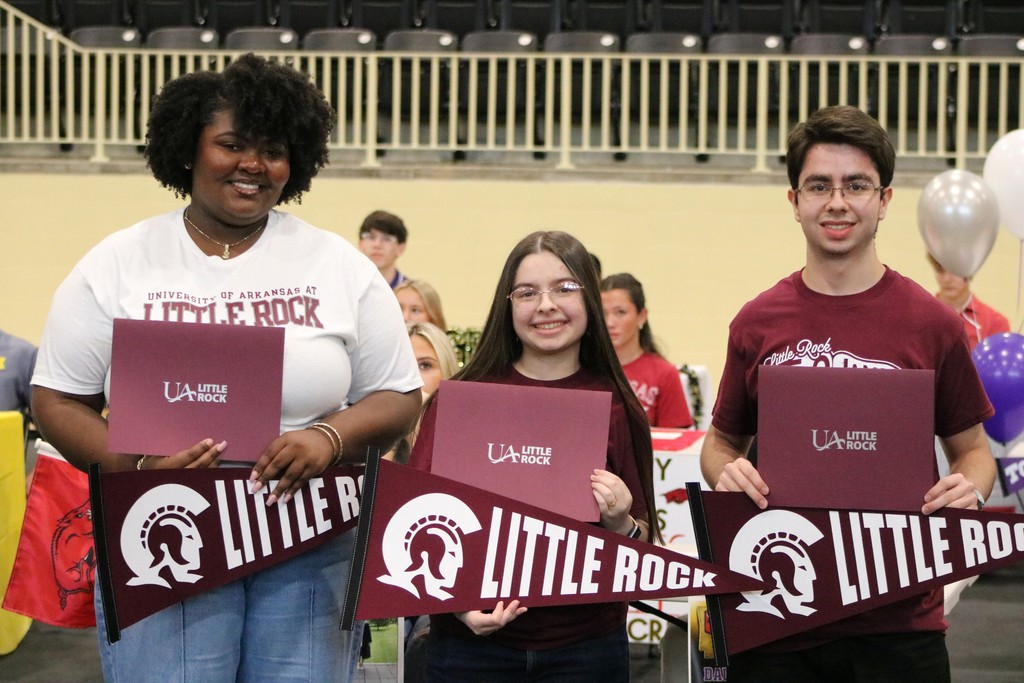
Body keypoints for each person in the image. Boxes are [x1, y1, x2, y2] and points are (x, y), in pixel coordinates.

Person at [30, 54, 423, 683]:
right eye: (231, 145)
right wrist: (137, 467)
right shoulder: (120, 261)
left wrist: (329, 437)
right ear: (187, 148)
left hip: (308, 533)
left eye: (272, 150)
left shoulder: (335, 264)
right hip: (164, 529)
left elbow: (400, 394)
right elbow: (56, 399)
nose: (252, 165)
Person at [699, 105, 997, 682]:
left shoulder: (932, 323)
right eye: (819, 186)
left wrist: (972, 493)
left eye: (856, 185)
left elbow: (974, 451)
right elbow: (720, 442)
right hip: (778, 613)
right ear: (795, 202)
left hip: (900, 623)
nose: (837, 202)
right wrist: (725, 472)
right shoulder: (757, 322)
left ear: (884, 200)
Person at [407, 231, 658, 682]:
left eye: (564, 288)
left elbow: (645, 546)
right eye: (527, 292)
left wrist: (622, 522)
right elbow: (414, 519)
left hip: (587, 649)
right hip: (467, 647)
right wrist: (459, 606)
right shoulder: (463, 400)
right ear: (508, 305)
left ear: (590, 299)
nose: (546, 305)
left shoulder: (619, 406)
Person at [600, 273, 693, 429]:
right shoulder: (585, 367)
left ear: (642, 316)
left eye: (620, 312)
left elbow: (674, 440)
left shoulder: (664, 373)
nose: (610, 322)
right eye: (603, 314)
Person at [387, 321, 459, 465]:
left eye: (425, 365)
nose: (413, 377)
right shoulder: (376, 439)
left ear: (447, 370)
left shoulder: (467, 437)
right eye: (404, 366)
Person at [926, 252, 1010, 351]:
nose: (947, 279)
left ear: (970, 270)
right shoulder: (921, 315)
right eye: (940, 270)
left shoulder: (995, 322)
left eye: (955, 270)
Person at [358, 210, 409, 289]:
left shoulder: (409, 294)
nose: (377, 245)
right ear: (361, 244)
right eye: (371, 237)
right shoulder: (346, 288)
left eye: (387, 239)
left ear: (400, 249)